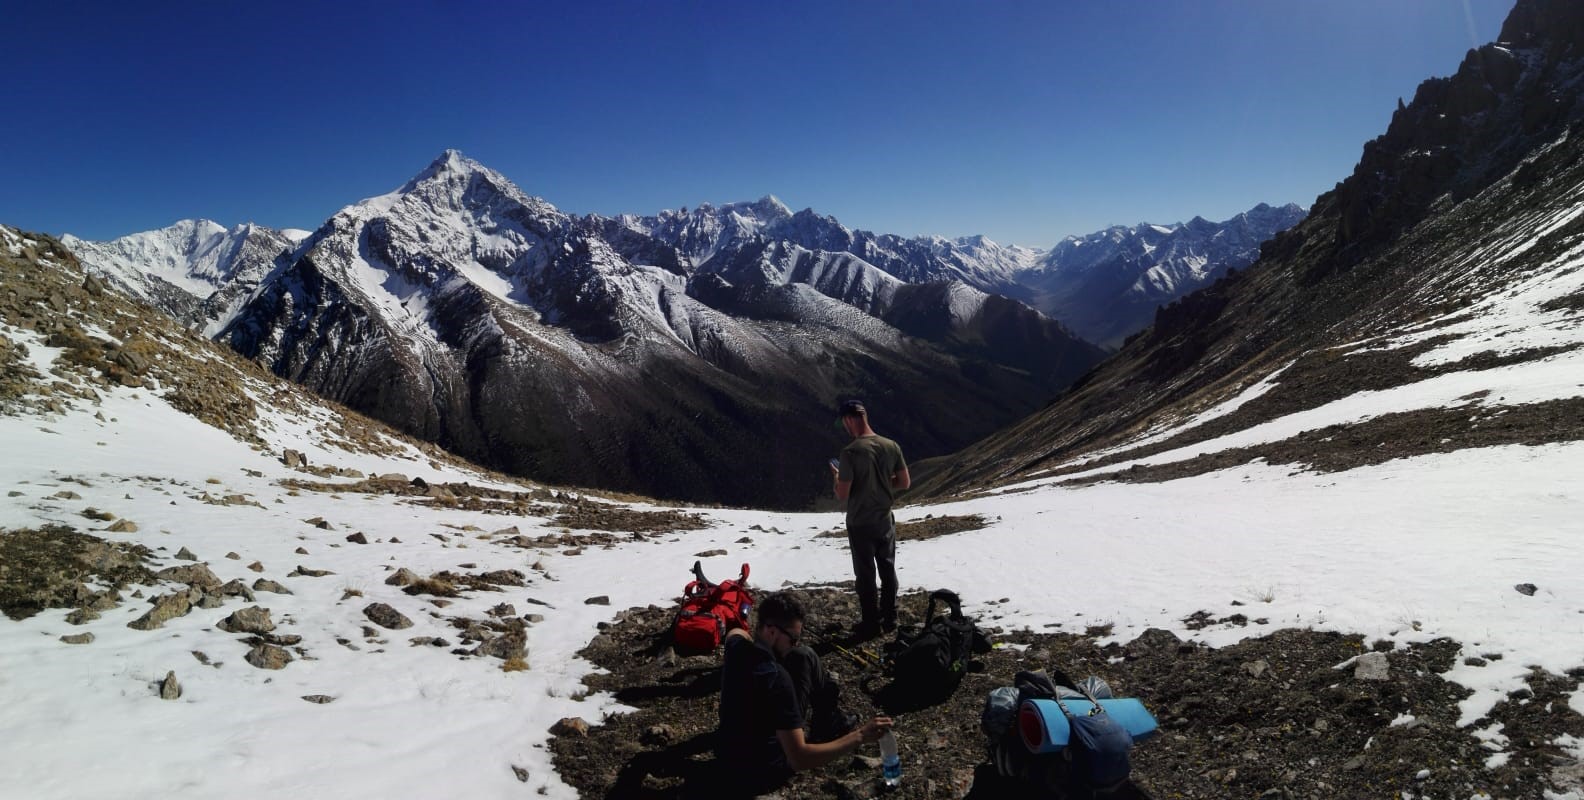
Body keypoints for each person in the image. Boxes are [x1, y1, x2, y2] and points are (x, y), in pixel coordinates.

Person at [717, 591, 892, 795]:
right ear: (772, 632)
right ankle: (828, 723)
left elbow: (735, 632)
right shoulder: (778, 680)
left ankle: (827, 720)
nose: (795, 644)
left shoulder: (736, 648)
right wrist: (860, 735)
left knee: (801, 655)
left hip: (727, 753)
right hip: (761, 771)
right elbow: (799, 758)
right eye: (792, 639)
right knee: (806, 656)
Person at [831, 400, 910, 639]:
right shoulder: (891, 446)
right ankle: (890, 617)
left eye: (844, 422)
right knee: (887, 567)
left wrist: (836, 477)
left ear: (849, 420)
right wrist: (884, 485)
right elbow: (904, 483)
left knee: (865, 574)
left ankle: (870, 623)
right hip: (885, 519)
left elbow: (842, 494)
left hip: (859, 522)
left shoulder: (850, 452)